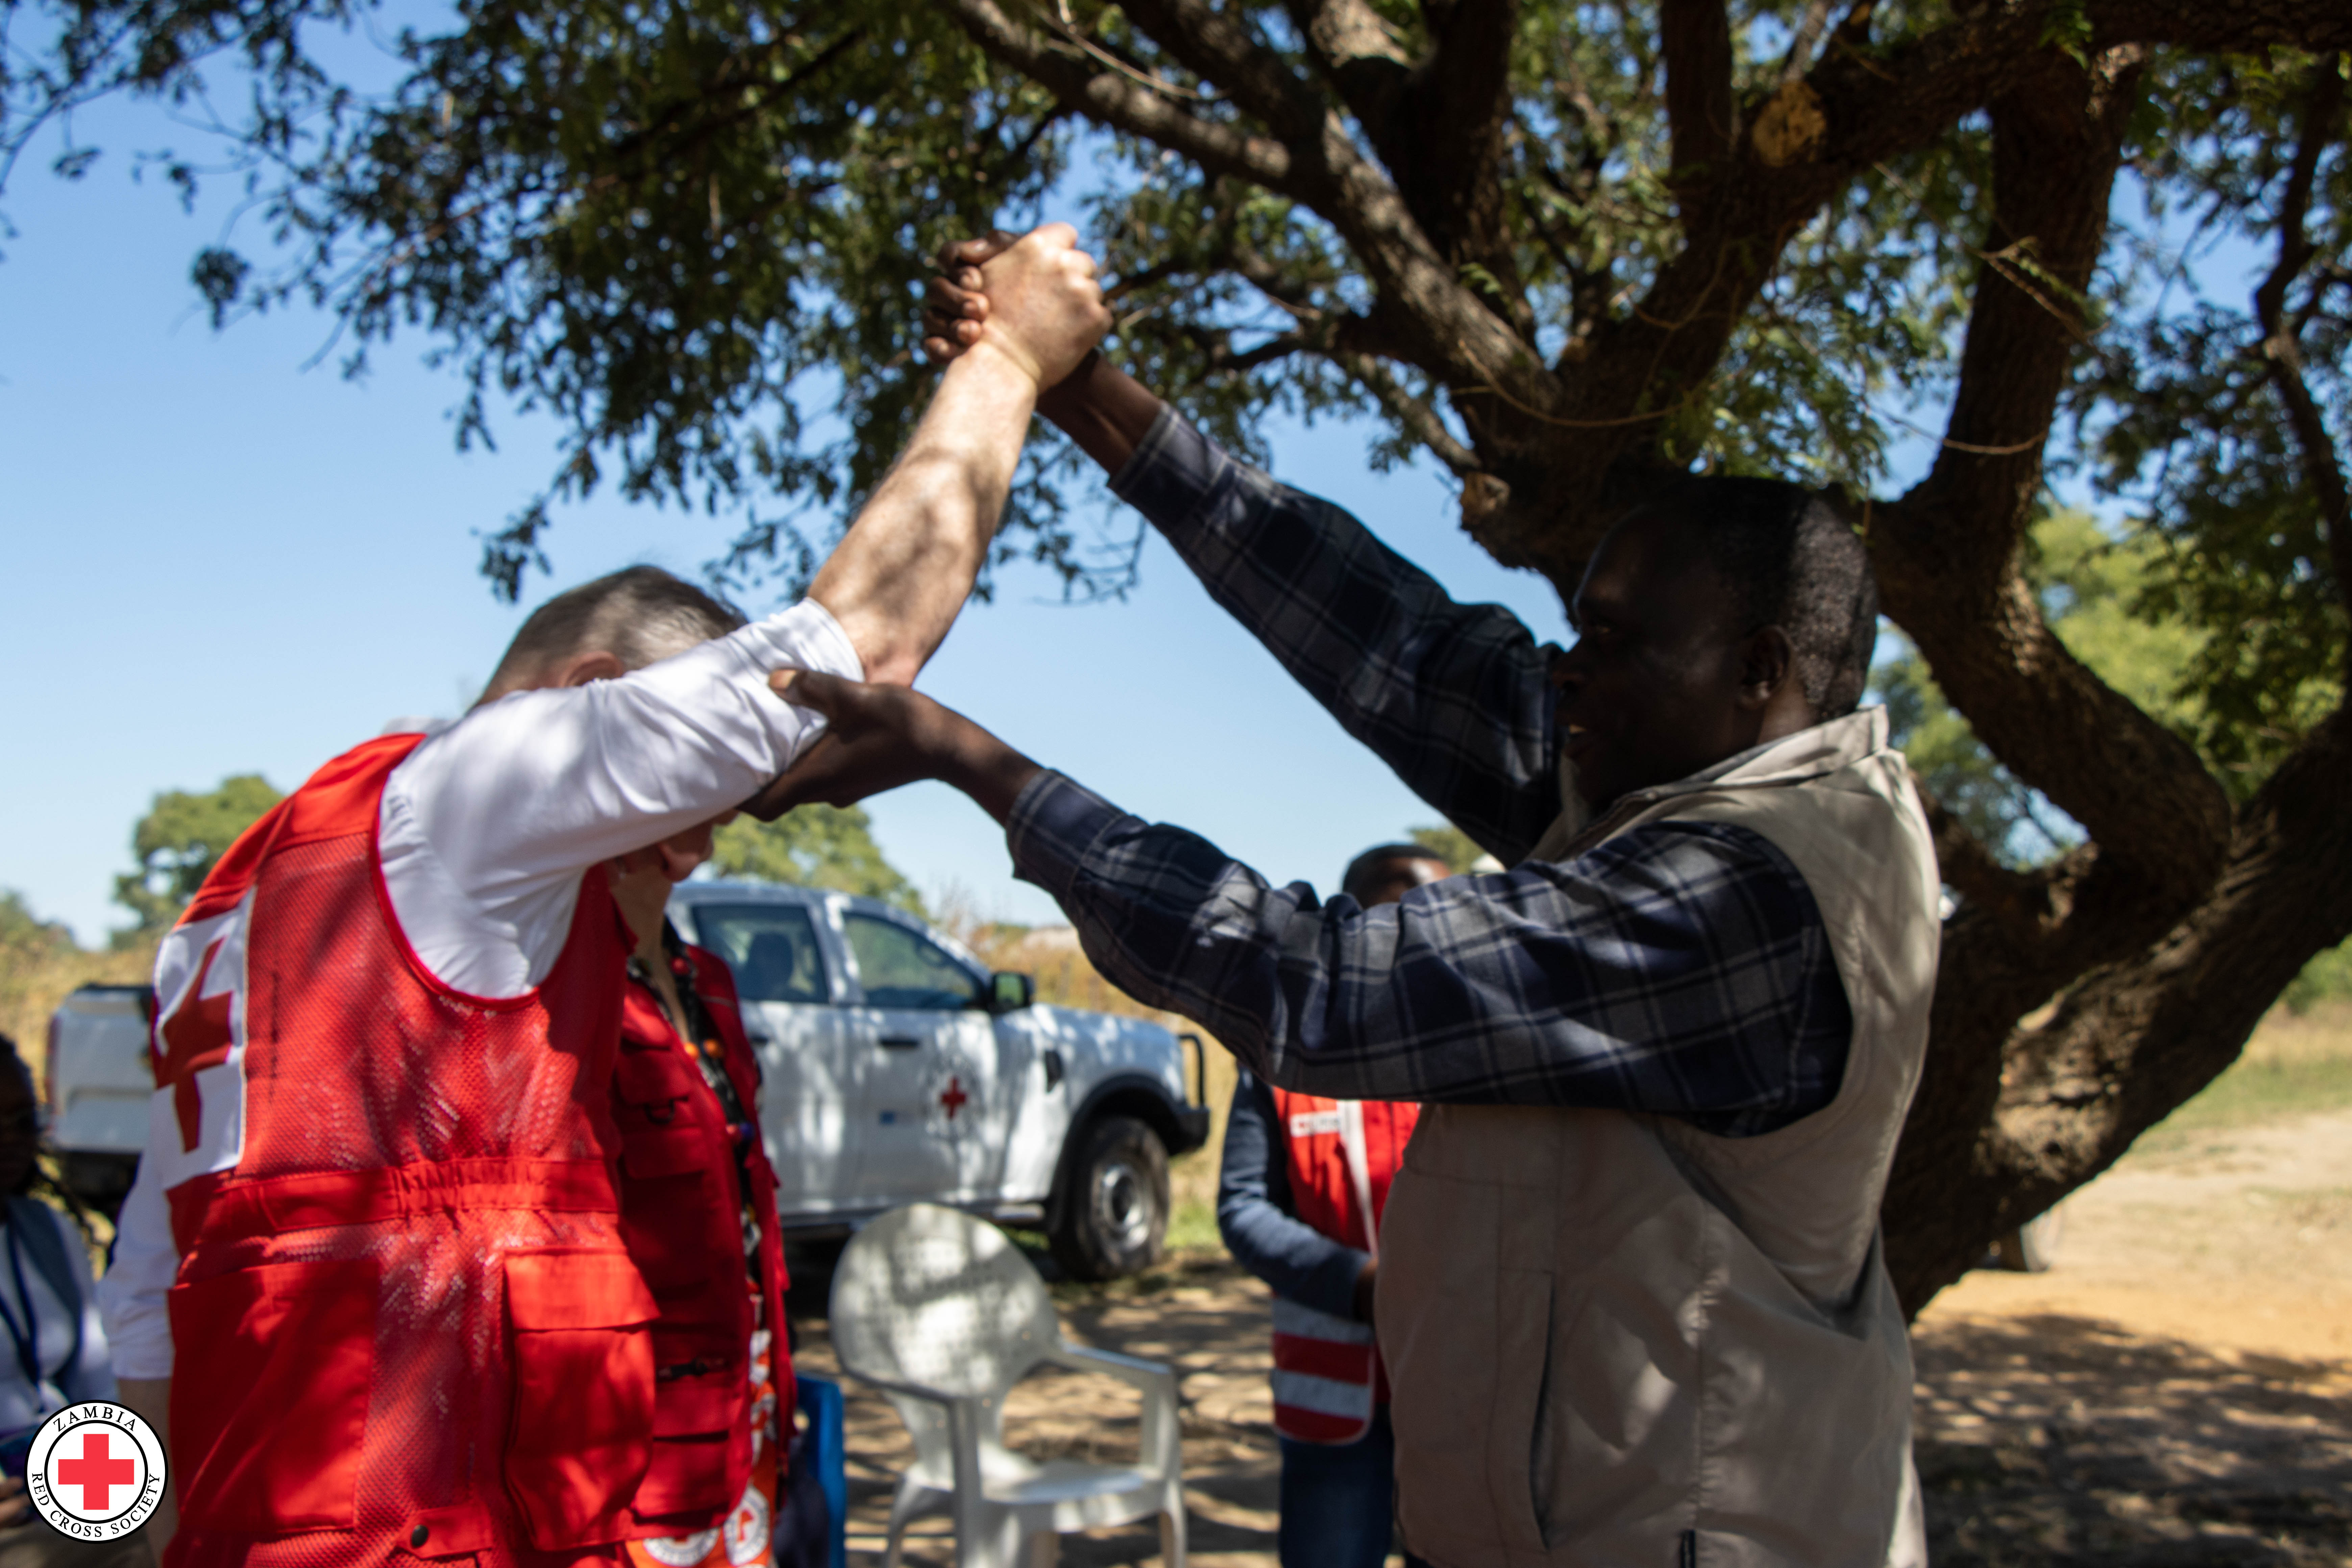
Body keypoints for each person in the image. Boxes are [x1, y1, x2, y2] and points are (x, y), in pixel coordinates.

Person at [753, 256, 1940, 1566]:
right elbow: (1398, 647)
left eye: (1611, 643)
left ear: (1760, 673)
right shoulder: (1670, 780)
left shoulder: (1749, 898)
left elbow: (1320, 984)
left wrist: (968, 760)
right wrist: (1079, 386)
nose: (1565, 674)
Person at [94, 223, 1110, 1568]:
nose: (690, 855)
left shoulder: (237, 912)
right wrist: (1015, 360)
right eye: (682, 812)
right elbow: (854, 645)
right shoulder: (473, 789)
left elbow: (150, 1304)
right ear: (589, 701)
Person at [1216, 845, 1442, 1568]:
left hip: (1462, 1394)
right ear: (1355, 928)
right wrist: (1359, 1283)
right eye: (1412, 914)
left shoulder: (1477, 1058)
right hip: (1334, 1399)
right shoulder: (1281, 1059)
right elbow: (1242, 1208)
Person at [0, 1037, 148, 1568]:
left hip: (67, 1483)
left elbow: (99, 1386)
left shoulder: (45, 1230)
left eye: (24, 1122)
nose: (12, 1140)